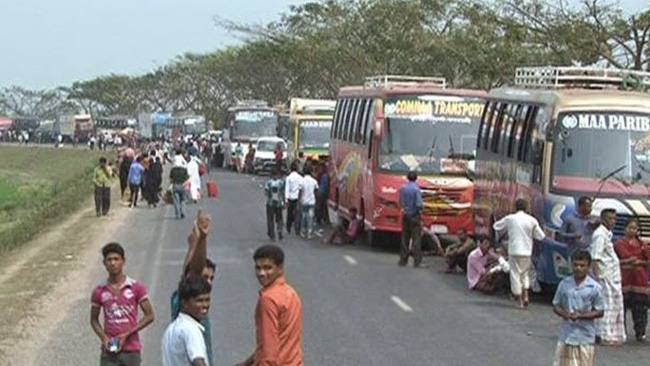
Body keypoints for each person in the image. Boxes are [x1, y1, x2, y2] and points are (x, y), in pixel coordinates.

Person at [234, 245, 303, 366]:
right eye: (258, 268)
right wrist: (247, 363)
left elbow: (269, 350)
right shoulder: (291, 293)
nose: (261, 273)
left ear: (280, 268)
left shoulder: (268, 299)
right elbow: (279, 340)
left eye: (267, 268)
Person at [91, 243, 155, 366]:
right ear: (104, 263)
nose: (113, 263)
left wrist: (127, 334)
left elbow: (150, 316)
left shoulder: (136, 287)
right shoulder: (99, 291)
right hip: (109, 350)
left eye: (116, 259)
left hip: (131, 350)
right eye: (109, 260)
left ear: (123, 261)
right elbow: (94, 320)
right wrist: (103, 337)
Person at [170, 212, 216, 365]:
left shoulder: (189, 312)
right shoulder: (189, 328)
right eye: (204, 278)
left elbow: (188, 272)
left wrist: (193, 245)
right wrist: (202, 239)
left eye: (211, 278)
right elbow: (193, 271)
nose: (208, 283)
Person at [552, 250, 604, 366]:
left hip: (585, 338)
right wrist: (565, 314)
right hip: (566, 336)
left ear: (588, 267)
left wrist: (580, 316)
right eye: (576, 265)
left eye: (582, 265)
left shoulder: (594, 288)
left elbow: (600, 311)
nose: (578, 268)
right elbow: (556, 305)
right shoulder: (564, 284)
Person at [493, 198, 545, 308]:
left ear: (515, 207)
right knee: (525, 274)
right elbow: (540, 236)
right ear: (526, 208)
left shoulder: (510, 218)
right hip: (526, 251)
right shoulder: (532, 220)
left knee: (515, 274)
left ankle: (520, 299)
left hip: (513, 250)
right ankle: (526, 295)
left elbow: (496, 226)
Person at [590, 208, 626, 345]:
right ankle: (604, 334)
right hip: (605, 276)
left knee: (614, 305)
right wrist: (598, 276)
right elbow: (596, 258)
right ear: (603, 219)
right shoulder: (599, 235)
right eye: (610, 219)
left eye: (614, 219)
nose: (613, 222)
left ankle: (612, 334)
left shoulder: (608, 234)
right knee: (607, 305)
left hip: (613, 275)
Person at [162, 275, 211, 366]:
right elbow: (198, 361)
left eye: (207, 300)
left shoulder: (171, 329)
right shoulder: (191, 330)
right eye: (199, 301)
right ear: (184, 303)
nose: (205, 305)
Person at [614, 218, 650, 341]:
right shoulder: (618, 244)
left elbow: (647, 260)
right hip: (624, 278)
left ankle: (640, 332)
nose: (632, 230)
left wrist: (639, 261)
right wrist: (627, 261)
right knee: (621, 307)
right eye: (629, 228)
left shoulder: (642, 245)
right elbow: (614, 261)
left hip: (639, 280)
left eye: (634, 228)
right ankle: (621, 331)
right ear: (625, 229)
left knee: (640, 308)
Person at [398, 170, 425, 268]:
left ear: (407, 178)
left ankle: (403, 260)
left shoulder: (403, 188)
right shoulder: (416, 190)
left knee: (405, 237)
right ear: (416, 178)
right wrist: (422, 208)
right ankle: (417, 261)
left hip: (405, 214)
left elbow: (400, 202)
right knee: (416, 239)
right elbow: (419, 204)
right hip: (414, 215)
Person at [265, 170, 285, 241]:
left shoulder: (268, 182)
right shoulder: (281, 183)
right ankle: (279, 232)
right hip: (279, 203)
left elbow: (266, 192)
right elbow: (283, 193)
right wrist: (284, 202)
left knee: (270, 219)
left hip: (270, 203)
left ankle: (272, 234)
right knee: (279, 219)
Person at [299, 166, 319, 239]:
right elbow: (316, 192)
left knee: (304, 217)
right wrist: (317, 202)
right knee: (310, 217)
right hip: (311, 202)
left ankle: (303, 231)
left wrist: (299, 202)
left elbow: (300, 192)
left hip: (304, 201)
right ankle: (309, 233)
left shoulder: (302, 181)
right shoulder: (314, 181)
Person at [285, 162, 303, 235]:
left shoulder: (288, 178)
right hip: (297, 197)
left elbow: (287, 189)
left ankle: (288, 227)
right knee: (297, 214)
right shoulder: (300, 178)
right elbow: (301, 188)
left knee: (289, 213)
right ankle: (297, 229)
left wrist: (286, 199)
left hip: (290, 197)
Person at [170, 155, 190, 219]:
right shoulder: (184, 170)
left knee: (176, 201)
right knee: (183, 200)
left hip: (175, 185)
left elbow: (170, 179)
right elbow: (187, 178)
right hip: (183, 186)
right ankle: (182, 212)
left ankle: (177, 214)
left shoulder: (173, 170)